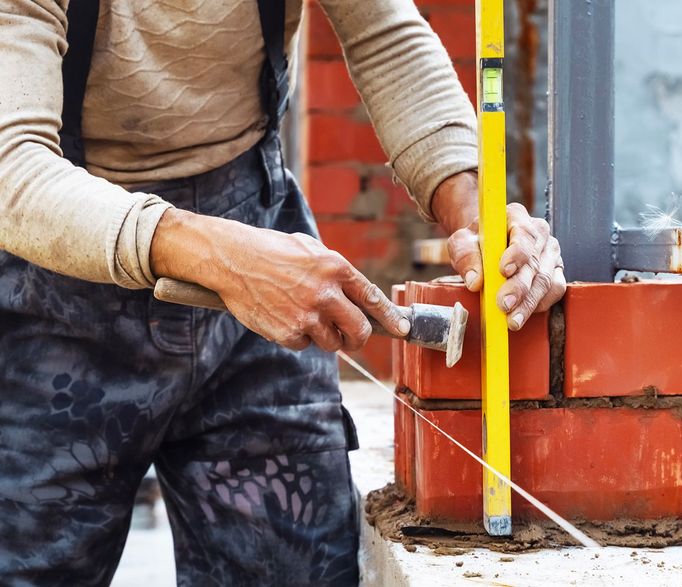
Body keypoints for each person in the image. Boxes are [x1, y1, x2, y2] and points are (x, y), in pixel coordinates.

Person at [0, 1, 565, 585]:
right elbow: (11, 169)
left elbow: (386, 38)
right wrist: (224, 259)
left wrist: (476, 217)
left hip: (253, 222)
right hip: (55, 270)